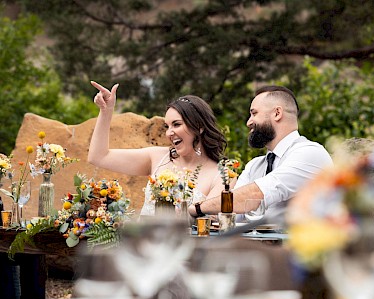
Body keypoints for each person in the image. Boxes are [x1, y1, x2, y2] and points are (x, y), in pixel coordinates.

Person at [188, 85, 333, 223]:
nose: (248, 122)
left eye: (254, 113)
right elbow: (232, 211)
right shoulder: (255, 165)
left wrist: (198, 208)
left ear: (277, 113)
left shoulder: (310, 153)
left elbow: (255, 195)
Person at [88, 81, 235, 215]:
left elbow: (215, 226)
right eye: (167, 126)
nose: (169, 133)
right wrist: (106, 111)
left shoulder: (222, 177)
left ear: (199, 127)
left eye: (176, 124)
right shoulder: (157, 157)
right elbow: (98, 157)